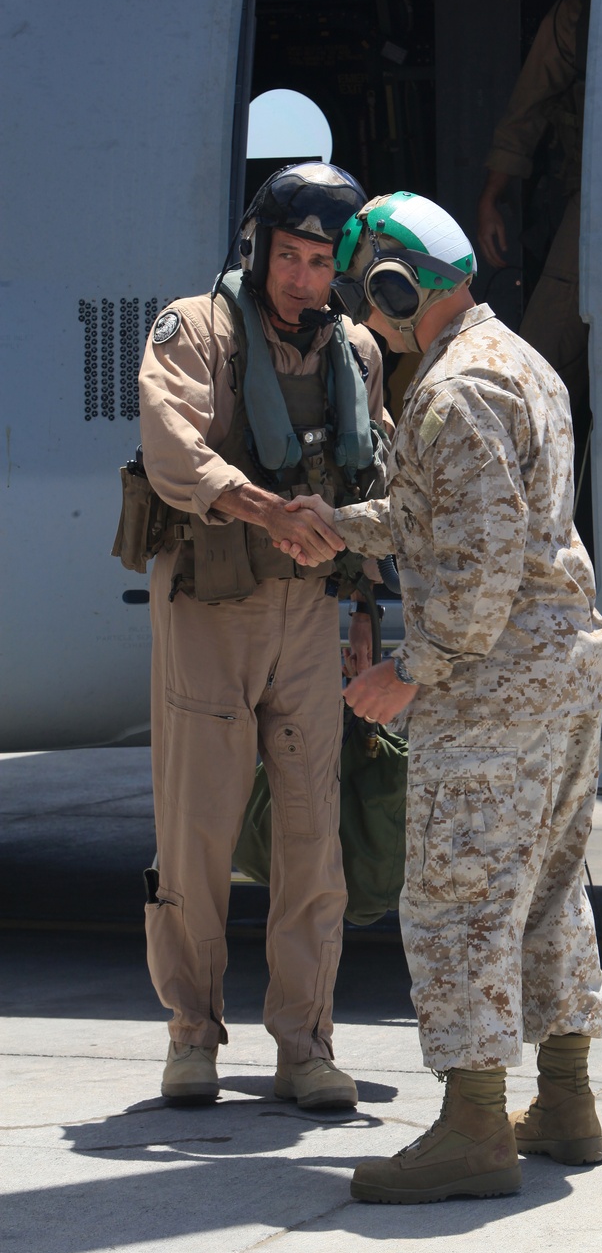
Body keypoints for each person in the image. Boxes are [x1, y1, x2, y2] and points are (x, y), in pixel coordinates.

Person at [282, 190, 602, 1202]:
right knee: (549, 887)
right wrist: (344, 523)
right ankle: (563, 1100)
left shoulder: (453, 389)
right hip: (559, 667)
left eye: (367, 286)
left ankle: (474, 1127)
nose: (363, 310)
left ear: (397, 279)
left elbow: (474, 562)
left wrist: (406, 670)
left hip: (492, 676)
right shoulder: (518, 363)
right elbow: (451, 513)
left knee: (459, 901)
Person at [136, 162, 385, 1109]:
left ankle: (306, 1044)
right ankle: (192, 1033)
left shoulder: (354, 353)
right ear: (259, 250)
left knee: (312, 838)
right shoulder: (194, 330)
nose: (303, 280)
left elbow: (369, 485)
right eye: (289, 257)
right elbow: (172, 447)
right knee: (196, 830)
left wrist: (366, 614)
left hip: (310, 618)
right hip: (211, 605)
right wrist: (263, 508)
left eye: (322, 263)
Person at [477, 0, 594, 455]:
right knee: (544, 348)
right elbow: (530, 105)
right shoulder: (575, 15)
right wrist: (493, 195)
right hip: (594, 200)